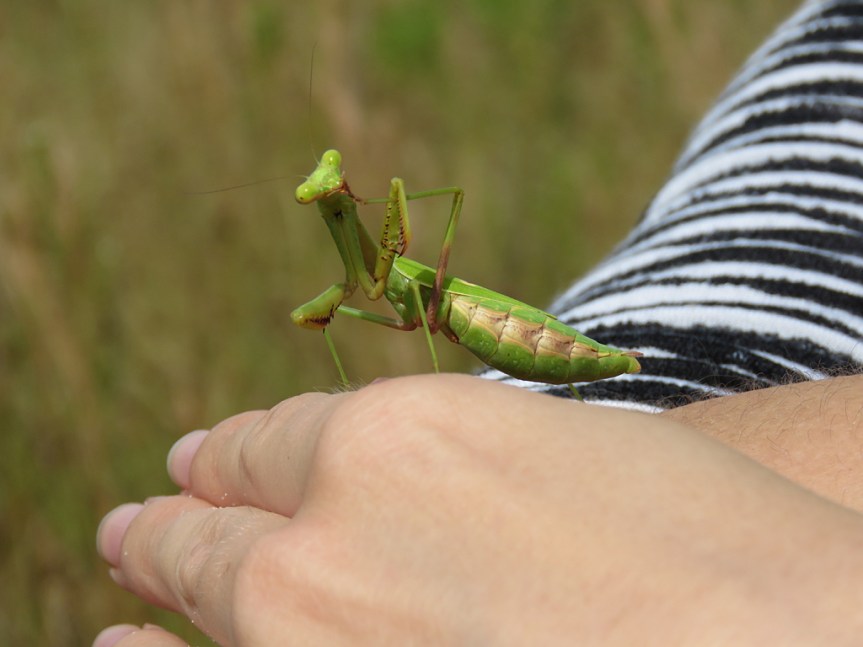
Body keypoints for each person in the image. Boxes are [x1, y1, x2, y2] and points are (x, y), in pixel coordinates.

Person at [95, 1, 863, 644]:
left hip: (515, 332)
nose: (328, 196)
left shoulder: (389, 250)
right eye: (321, 196)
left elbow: (432, 214)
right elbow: (330, 309)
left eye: (332, 192)